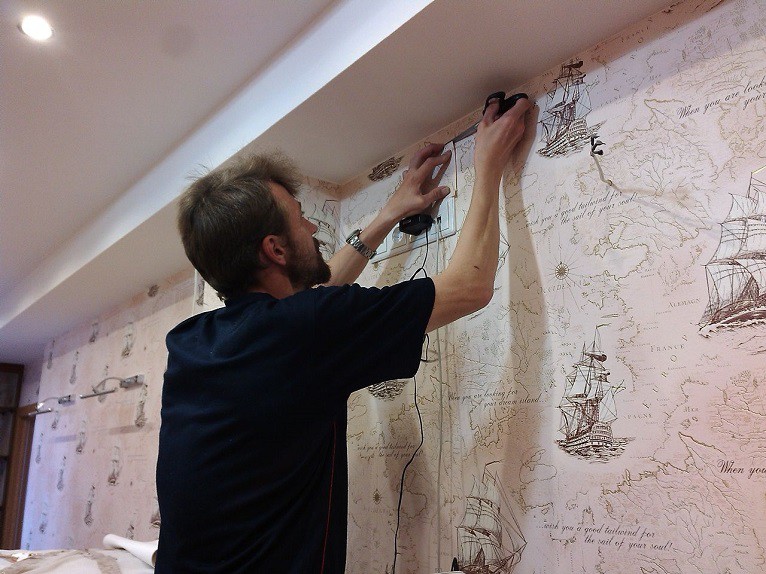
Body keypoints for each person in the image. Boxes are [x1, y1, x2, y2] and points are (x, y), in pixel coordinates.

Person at [155, 95, 531, 573]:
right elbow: (469, 286)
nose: (312, 226)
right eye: (300, 217)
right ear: (275, 250)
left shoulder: (191, 341)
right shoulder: (302, 328)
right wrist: (488, 165)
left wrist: (387, 215)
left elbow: (307, 307)